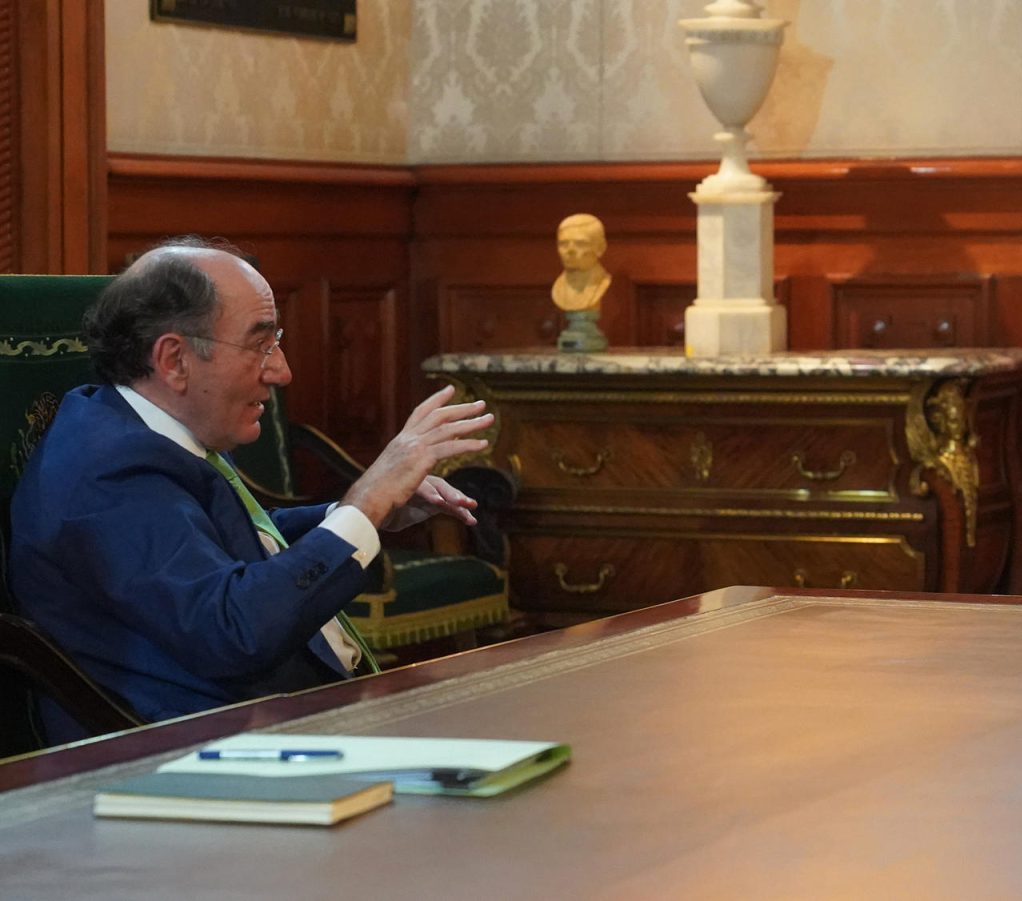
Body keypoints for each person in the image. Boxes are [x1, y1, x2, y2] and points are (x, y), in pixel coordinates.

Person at [8, 238, 495, 741]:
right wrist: (365, 503)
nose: (281, 370)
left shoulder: (135, 428)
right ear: (174, 360)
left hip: (273, 718)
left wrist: (366, 512)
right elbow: (234, 631)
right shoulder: (109, 474)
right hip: (192, 756)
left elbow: (214, 541)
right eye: (260, 345)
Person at [550, 213, 611, 312]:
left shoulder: (603, 282)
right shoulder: (558, 288)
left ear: (600, 248)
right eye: (563, 244)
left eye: (580, 244)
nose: (570, 250)